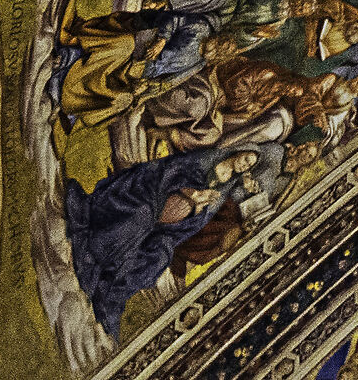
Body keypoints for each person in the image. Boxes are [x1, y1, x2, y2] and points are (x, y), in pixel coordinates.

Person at [64, 146, 251, 341]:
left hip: (162, 228)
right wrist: (190, 193)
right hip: (147, 195)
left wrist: (197, 210)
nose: (244, 165)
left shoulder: (218, 194)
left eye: (248, 166)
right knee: (142, 217)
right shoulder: (203, 160)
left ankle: (111, 293)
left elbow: (189, 228)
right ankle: (93, 255)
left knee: (161, 256)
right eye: (247, 158)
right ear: (239, 151)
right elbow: (164, 173)